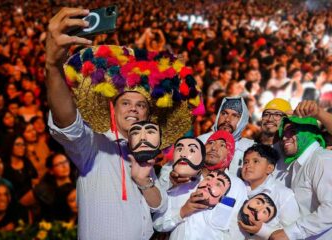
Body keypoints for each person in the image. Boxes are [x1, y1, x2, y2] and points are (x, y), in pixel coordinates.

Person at [45, 7, 201, 239]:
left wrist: (143, 180)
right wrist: (52, 66)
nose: (134, 109)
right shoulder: (93, 146)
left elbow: (159, 207)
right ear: (113, 110)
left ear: (147, 115)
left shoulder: (146, 153)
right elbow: (67, 122)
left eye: (141, 105)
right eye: (125, 102)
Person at [155, 130, 247, 240]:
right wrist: (182, 212)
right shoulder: (179, 178)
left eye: (222, 145)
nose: (214, 148)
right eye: (210, 143)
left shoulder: (237, 187)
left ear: (230, 153)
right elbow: (158, 224)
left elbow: (236, 232)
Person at [269, 116, 332, 239]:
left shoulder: (322, 159)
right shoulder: (298, 165)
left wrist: (290, 232)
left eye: (292, 132)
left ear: (307, 132)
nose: (284, 138)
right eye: (283, 134)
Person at [239, 144, 300, 239]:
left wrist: (263, 230)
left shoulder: (284, 195)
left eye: (256, 161)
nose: (248, 165)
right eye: (246, 162)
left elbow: (292, 233)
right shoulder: (236, 187)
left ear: (269, 168)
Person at [197, 97, 254, 176]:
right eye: (224, 113)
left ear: (242, 121)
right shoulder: (201, 141)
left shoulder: (249, 148)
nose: (227, 119)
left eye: (235, 115)